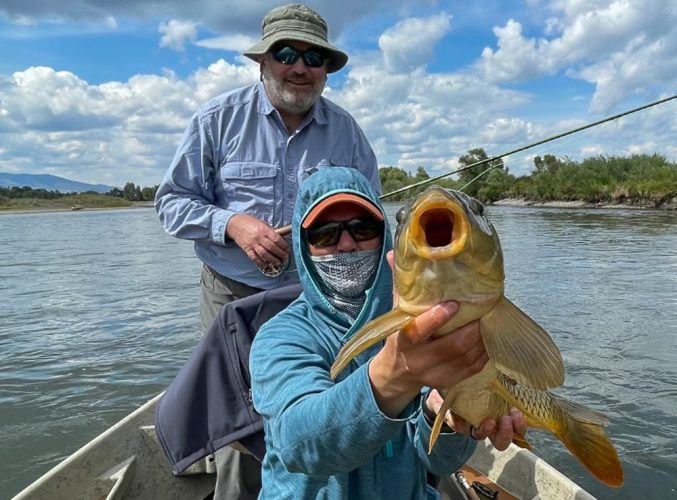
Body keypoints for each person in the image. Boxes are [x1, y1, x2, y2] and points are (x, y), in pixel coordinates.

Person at [154, 4, 379, 498]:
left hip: (318, 300)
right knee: (240, 424)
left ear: (326, 69)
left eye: (313, 57)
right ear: (263, 62)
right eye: (286, 53)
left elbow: (371, 219)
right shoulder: (217, 120)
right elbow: (170, 203)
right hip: (231, 297)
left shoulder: (348, 132)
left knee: (319, 404)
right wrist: (232, 223)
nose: (300, 67)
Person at [250, 167, 527, 499]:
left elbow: (438, 461)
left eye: (363, 228)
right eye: (325, 234)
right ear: (303, 246)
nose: (347, 245)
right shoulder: (280, 336)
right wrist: (396, 374)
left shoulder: (431, 326)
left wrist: (448, 420)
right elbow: (300, 446)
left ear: (386, 240)